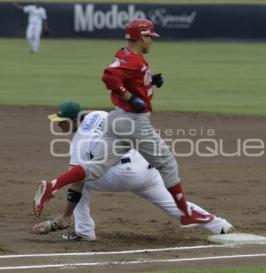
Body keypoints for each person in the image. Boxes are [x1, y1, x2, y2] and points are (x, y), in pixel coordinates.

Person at [33, 19, 218, 228]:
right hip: (134, 121)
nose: (151, 41)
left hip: (117, 119)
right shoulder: (136, 61)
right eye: (150, 37)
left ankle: (53, 185)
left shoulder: (124, 53)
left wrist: (147, 82)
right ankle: (185, 213)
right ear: (141, 37)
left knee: (95, 166)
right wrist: (129, 97)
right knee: (167, 163)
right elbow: (109, 76)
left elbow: (121, 75)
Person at [32, 101, 234, 241]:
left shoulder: (79, 143)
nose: (57, 125)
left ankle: (83, 231)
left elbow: (77, 179)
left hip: (122, 175)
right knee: (173, 204)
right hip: (145, 166)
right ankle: (220, 226)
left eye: (61, 122)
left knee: (80, 179)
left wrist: (65, 215)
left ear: (72, 121)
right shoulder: (99, 114)